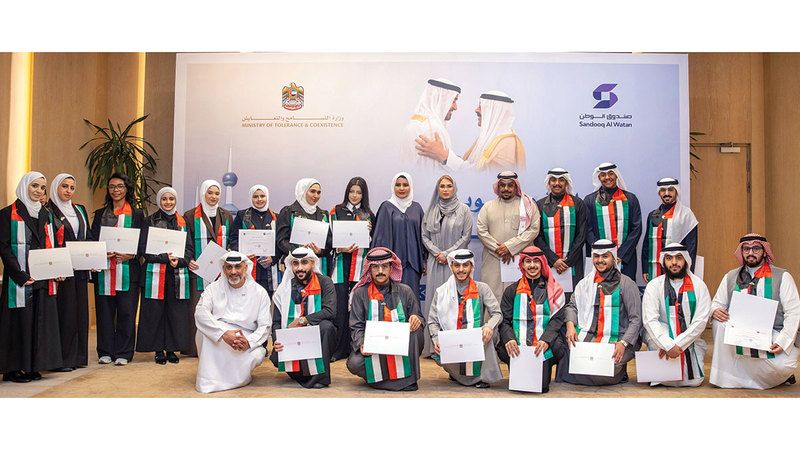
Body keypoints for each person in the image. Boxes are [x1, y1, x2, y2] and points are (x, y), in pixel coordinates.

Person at [709, 234, 800, 389]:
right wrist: (715, 310)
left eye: (756, 248)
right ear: (742, 252)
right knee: (719, 321)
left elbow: (794, 312)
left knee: (786, 364)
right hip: (740, 335)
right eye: (746, 249)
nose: (751, 253)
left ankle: (746, 374)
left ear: (764, 251)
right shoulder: (730, 276)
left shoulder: (782, 276)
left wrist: (783, 341)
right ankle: (731, 379)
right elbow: (717, 303)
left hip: (772, 334)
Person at [0, 172, 63, 382]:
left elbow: (54, 245)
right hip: (19, 278)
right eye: (34, 186)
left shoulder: (46, 214)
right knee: (19, 324)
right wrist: (19, 275)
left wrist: (57, 269)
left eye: (42, 188)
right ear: (25, 186)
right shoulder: (7, 213)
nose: (38, 191)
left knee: (38, 322)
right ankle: (14, 368)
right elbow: (4, 247)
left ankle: (33, 366)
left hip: (42, 279)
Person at [557, 239, 642, 386]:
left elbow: (636, 319)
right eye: (596, 256)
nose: (600, 260)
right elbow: (572, 306)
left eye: (605, 256)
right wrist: (570, 327)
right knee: (568, 350)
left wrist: (623, 343)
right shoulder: (585, 283)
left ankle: (618, 373)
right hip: (590, 334)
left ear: (613, 258)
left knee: (601, 371)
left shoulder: (626, 283)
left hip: (620, 339)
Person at [346, 247, 424, 391]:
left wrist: (416, 318)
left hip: (400, 347)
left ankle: (405, 380)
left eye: (384, 266)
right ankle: (390, 380)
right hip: (375, 347)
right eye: (375, 267)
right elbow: (356, 326)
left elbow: (418, 316)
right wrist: (362, 343)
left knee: (415, 330)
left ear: (391, 268)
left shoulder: (405, 291)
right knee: (354, 363)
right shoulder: (360, 294)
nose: (380, 271)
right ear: (369, 270)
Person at [194, 251, 271, 393]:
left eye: (237, 267)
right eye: (229, 267)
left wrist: (249, 342)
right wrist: (223, 333)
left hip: (245, 337)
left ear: (246, 267)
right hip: (218, 333)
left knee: (257, 353)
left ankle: (238, 378)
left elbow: (265, 326)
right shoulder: (213, 288)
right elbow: (200, 312)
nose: (233, 272)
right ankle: (209, 381)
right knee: (204, 333)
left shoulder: (259, 292)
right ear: (223, 269)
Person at [90, 173, 146, 366]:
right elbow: (93, 239)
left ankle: (124, 352)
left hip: (128, 271)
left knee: (127, 313)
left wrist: (132, 255)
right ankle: (105, 351)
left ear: (126, 189)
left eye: (120, 186)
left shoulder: (137, 215)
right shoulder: (100, 214)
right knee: (104, 313)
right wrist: (100, 253)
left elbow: (143, 242)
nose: (116, 190)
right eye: (112, 186)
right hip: (104, 271)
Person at [497, 246, 568, 393]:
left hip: (543, 344)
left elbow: (557, 320)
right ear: (522, 265)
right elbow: (504, 321)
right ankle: (517, 366)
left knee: (542, 386)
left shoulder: (553, 289)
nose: (532, 265)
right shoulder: (511, 291)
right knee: (502, 346)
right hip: (518, 344)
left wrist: (546, 340)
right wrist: (510, 339)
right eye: (528, 261)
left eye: (536, 261)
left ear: (542, 263)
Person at [427, 249, 502, 388]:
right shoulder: (441, 291)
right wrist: (436, 339)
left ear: (471, 266)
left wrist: (488, 326)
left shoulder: (482, 288)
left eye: (465, 265)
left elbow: (497, 313)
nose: (461, 270)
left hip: (476, 340)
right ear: (451, 267)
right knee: (437, 343)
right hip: (453, 340)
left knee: (488, 334)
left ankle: (477, 377)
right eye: (457, 265)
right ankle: (457, 372)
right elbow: (432, 321)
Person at [642, 242, 711, 387]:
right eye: (669, 258)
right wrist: (667, 344)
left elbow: (700, 321)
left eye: (679, 258)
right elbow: (650, 319)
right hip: (660, 336)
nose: (674, 262)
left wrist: (678, 344)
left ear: (686, 260)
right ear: (663, 261)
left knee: (694, 381)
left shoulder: (699, 285)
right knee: (654, 340)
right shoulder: (654, 285)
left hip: (689, 337)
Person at [136, 187, 192, 365]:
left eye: (171, 199)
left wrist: (180, 261)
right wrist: (164, 258)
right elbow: (143, 248)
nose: (168, 202)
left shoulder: (183, 222)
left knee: (175, 313)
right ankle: (158, 350)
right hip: (155, 274)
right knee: (155, 313)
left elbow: (189, 249)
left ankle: (172, 349)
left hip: (177, 273)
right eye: (164, 199)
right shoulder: (149, 221)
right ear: (159, 201)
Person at [270, 248, 337, 389]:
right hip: (292, 340)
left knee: (327, 327)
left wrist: (303, 320)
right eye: (295, 263)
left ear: (313, 264)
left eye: (304, 262)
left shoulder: (325, 282)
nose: (300, 268)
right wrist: (277, 340)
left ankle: (320, 378)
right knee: (276, 359)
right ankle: (303, 372)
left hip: (317, 339)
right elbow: (276, 321)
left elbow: (330, 311)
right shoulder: (284, 289)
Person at [421, 175, 472, 356]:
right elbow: (425, 236)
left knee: (454, 303)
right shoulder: (431, 210)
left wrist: (448, 254)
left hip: (456, 264)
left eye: (449, 186)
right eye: (442, 186)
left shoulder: (464, 210)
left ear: (454, 188)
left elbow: (466, 236)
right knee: (435, 302)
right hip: (435, 261)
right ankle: (433, 347)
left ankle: (454, 347)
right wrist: (437, 253)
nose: (445, 189)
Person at [46, 173, 92, 371]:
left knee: (80, 313)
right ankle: (64, 359)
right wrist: (55, 267)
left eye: (72, 187)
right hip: (62, 271)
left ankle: (78, 357)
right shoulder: (48, 211)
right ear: (56, 187)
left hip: (80, 269)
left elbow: (88, 236)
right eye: (64, 186)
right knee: (65, 314)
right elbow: (47, 241)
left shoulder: (79, 209)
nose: (68, 191)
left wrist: (93, 258)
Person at [183, 179, 233, 357]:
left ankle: (220, 346)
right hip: (199, 270)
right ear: (203, 194)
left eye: (217, 193)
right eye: (210, 193)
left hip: (221, 271)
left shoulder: (226, 215)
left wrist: (230, 250)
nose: (213, 197)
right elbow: (186, 242)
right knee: (198, 308)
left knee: (221, 309)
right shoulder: (190, 215)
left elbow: (232, 239)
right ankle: (194, 348)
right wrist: (188, 259)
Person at [416, 91, 526, 171]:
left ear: (494, 112)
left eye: (481, 107)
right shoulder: (491, 138)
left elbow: (482, 177)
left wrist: (445, 156)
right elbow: (471, 163)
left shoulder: (507, 144)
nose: (476, 110)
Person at [329, 177, 376, 361]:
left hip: (359, 267)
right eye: (351, 191)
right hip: (340, 265)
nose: (354, 195)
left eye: (358, 192)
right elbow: (328, 238)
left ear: (364, 195)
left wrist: (370, 232)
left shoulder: (369, 214)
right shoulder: (336, 211)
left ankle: (355, 347)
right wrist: (339, 248)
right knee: (340, 308)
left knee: (357, 309)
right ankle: (339, 349)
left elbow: (374, 242)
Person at [476, 171, 540, 300]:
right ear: (497, 187)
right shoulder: (488, 206)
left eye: (510, 185)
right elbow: (481, 231)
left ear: (516, 186)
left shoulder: (528, 206)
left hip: (518, 259)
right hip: (493, 260)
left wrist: (510, 248)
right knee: (491, 297)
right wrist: (500, 249)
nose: (506, 188)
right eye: (502, 185)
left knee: (519, 297)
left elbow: (534, 229)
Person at [533, 168, 588, 297]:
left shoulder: (578, 203)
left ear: (566, 182)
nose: (557, 183)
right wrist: (554, 260)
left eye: (561, 180)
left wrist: (567, 261)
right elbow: (538, 237)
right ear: (549, 183)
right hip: (548, 262)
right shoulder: (540, 205)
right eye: (553, 180)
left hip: (573, 262)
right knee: (548, 297)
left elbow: (581, 234)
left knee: (574, 297)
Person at [373, 172, 427, 302]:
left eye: (405, 185)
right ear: (393, 187)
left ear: (410, 186)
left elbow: (424, 236)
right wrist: (382, 263)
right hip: (391, 265)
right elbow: (379, 236)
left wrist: (424, 260)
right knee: (392, 301)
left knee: (412, 300)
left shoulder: (416, 208)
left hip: (412, 265)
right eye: (398, 185)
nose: (401, 188)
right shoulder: (386, 207)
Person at [584, 163, 642, 281]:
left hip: (625, 258)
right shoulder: (590, 200)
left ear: (616, 175)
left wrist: (620, 254)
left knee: (625, 288)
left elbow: (636, 229)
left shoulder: (630, 199)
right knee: (597, 289)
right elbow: (587, 229)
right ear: (599, 178)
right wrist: (602, 253)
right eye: (603, 175)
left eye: (610, 173)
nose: (607, 177)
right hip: (599, 259)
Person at [641, 178, 699, 282]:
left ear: (676, 191)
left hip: (677, 268)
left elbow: (691, 246)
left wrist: (689, 270)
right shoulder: (652, 215)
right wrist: (645, 268)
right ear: (659, 193)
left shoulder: (686, 214)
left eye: (671, 190)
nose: (667, 193)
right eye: (663, 190)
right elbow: (647, 244)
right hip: (656, 269)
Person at [230, 184, 280, 298]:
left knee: (266, 300)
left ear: (267, 197)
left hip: (268, 269)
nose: (259, 199)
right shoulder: (242, 215)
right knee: (246, 299)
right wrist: (242, 253)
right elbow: (233, 239)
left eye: (262, 196)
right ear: (250, 198)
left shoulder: (276, 217)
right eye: (255, 196)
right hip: (248, 266)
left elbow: (280, 241)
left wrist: (273, 257)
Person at [276, 178, 333, 275]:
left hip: (319, 266)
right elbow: (281, 240)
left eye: (318, 192)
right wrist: (298, 251)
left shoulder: (324, 214)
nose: (316, 195)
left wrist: (320, 251)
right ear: (303, 191)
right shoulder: (288, 212)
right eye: (312, 191)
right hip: (296, 265)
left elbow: (329, 242)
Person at [402, 78, 460, 170]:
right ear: (440, 99)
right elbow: (438, 171)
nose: (455, 107)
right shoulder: (433, 129)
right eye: (453, 100)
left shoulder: (416, 121)